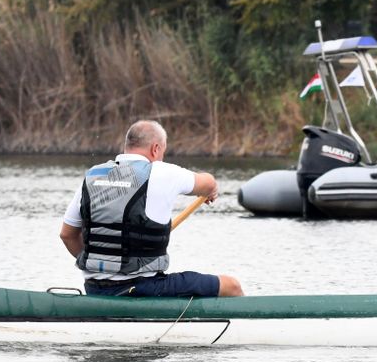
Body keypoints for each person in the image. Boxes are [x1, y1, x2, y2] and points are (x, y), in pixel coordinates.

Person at [58, 120, 244, 297]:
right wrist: (210, 191)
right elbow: (209, 183)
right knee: (232, 286)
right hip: (142, 287)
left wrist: (104, 268)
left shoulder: (93, 175)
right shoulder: (162, 172)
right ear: (156, 149)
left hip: (94, 288)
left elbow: (67, 235)